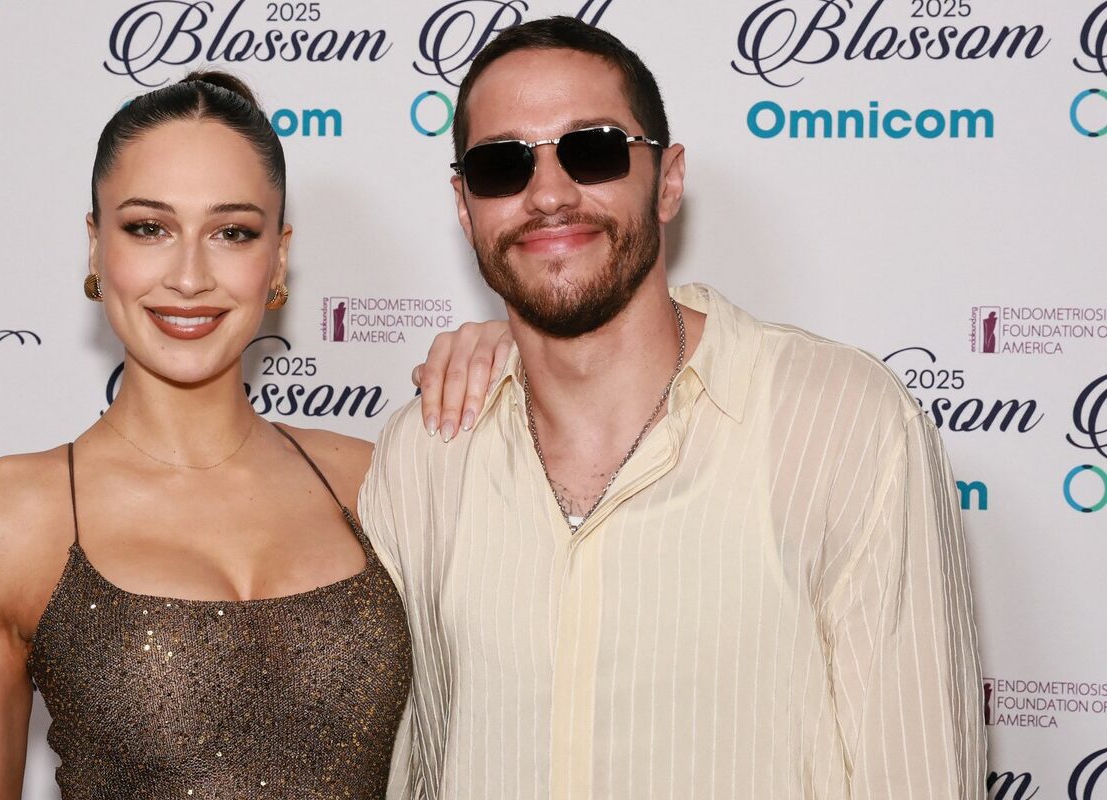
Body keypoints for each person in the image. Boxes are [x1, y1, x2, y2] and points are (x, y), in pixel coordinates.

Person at [367, 17, 985, 800]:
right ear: (466, 207)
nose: (549, 194)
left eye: (593, 150)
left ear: (667, 180)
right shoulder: (425, 452)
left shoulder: (846, 425)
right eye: (503, 165)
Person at [0, 72, 506, 799]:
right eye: (149, 228)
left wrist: (524, 355)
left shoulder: (376, 481)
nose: (191, 276)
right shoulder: (2, 523)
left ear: (278, 258)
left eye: (232, 233)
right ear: (96, 247)